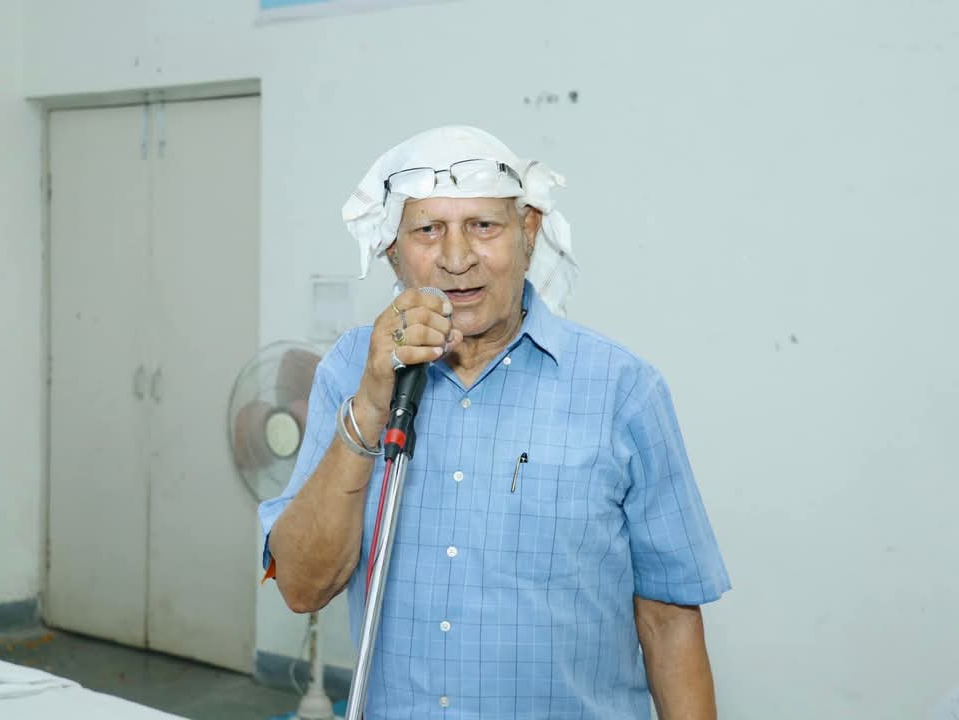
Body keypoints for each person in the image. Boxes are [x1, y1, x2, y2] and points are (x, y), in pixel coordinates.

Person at [259, 126, 730, 720]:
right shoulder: (351, 370)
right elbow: (301, 587)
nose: (457, 258)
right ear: (392, 250)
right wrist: (371, 405)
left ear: (528, 232)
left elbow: (668, 620)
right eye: (428, 230)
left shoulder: (623, 390)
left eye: (483, 225)